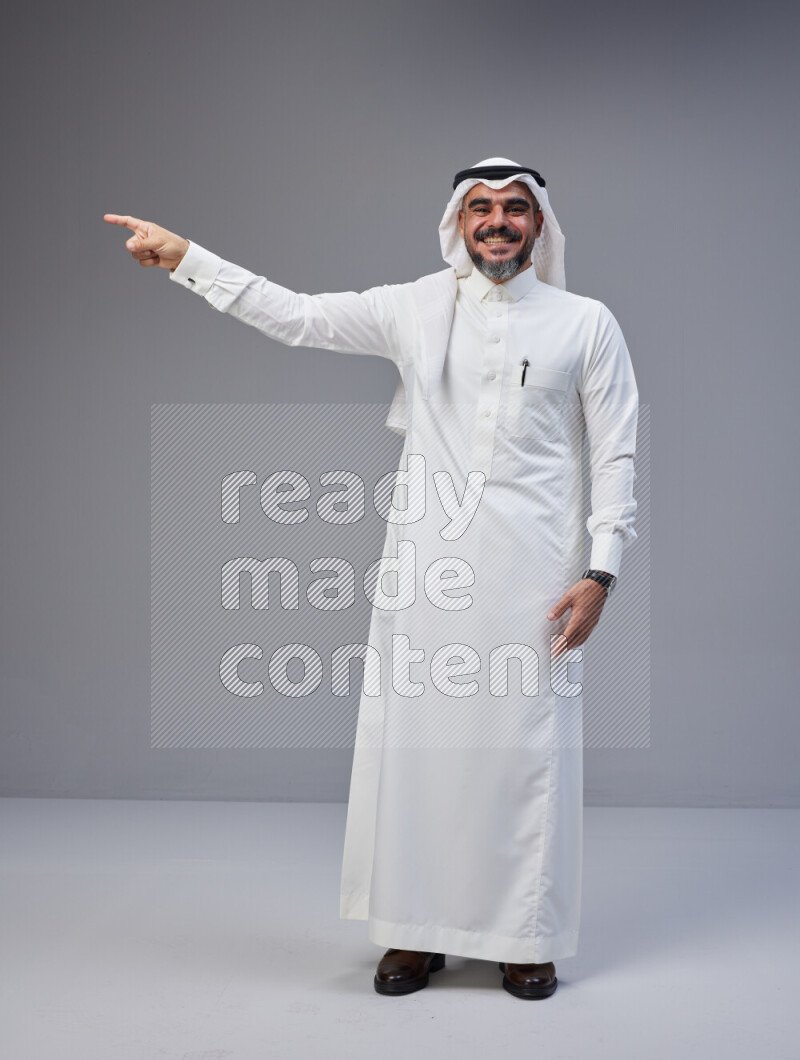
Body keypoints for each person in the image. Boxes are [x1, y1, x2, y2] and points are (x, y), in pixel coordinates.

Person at [105, 156, 638, 1001]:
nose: (497, 221)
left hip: (537, 575)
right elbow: (298, 317)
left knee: (521, 756)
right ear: (458, 224)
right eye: (480, 208)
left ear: (539, 225)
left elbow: (614, 454)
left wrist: (600, 571)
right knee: (419, 757)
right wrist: (187, 259)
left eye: (513, 209)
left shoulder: (586, 323)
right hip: (428, 571)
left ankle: (524, 936)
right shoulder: (413, 309)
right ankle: (412, 934)